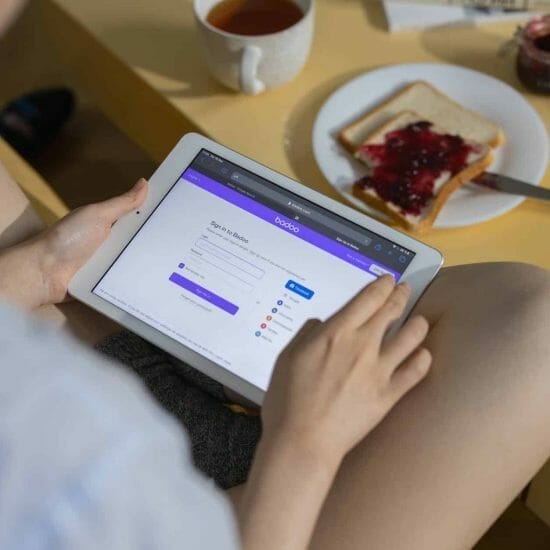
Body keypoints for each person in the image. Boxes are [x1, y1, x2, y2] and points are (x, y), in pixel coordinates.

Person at [2, 4, 550, 550]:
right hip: (239, 507)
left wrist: (40, 268)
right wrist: (304, 442)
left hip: (48, 363)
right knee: (534, 321)